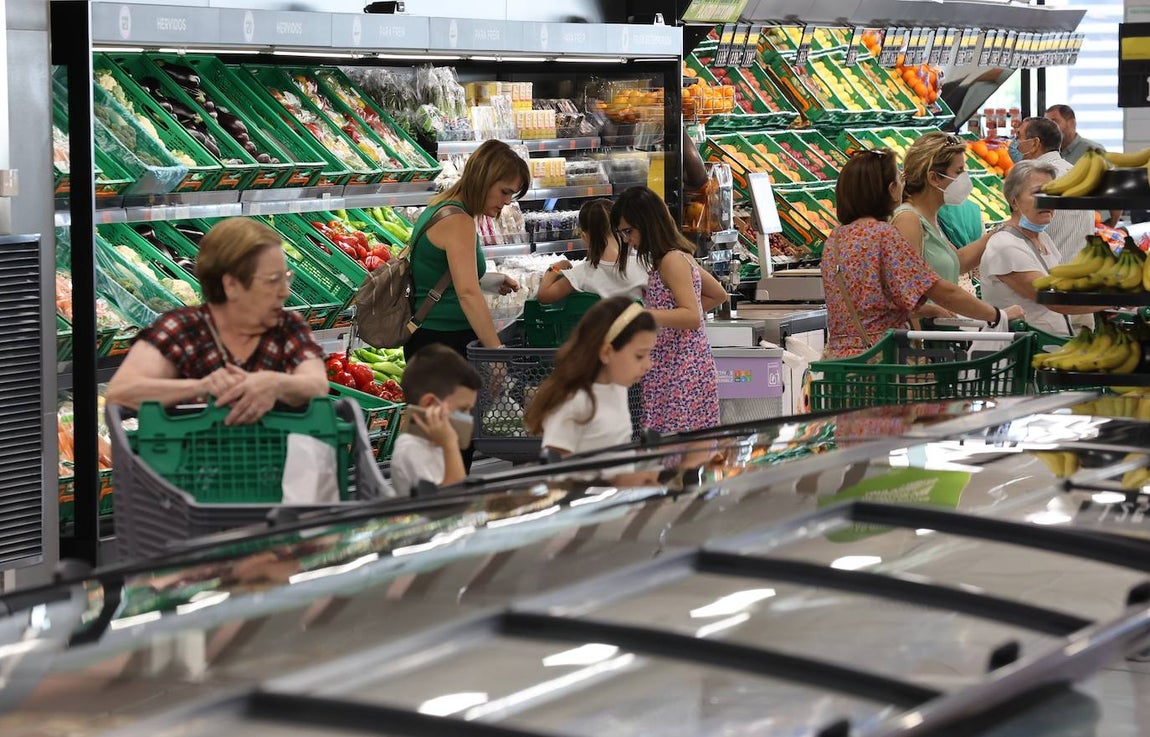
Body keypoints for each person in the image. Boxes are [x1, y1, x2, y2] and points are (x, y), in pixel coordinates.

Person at [106, 218, 327, 424]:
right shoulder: (182, 328)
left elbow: (316, 385)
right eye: (273, 280)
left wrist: (275, 384)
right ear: (231, 285)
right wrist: (200, 387)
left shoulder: (286, 325)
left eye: (286, 278)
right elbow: (121, 395)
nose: (285, 292)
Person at [820, 149, 1024, 360]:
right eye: (899, 179)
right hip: (881, 359)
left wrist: (929, 310)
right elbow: (941, 291)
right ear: (891, 189)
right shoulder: (883, 235)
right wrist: (996, 314)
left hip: (840, 359)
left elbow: (873, 305)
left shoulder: (836, 239)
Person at [610, 186, 727, 434]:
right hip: (681, 365)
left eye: (628, 231)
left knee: (674, 446)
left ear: (647, 222)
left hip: (678, 369)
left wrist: (646, 315)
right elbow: (717, 294)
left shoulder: (672, 261)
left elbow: (691, 316)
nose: (627, 240)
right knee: (688, 445)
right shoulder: (678, 257)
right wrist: (668, 316)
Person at [404, 139, 530, 361]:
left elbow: (440, 274)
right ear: (484, 179)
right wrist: (497, 353)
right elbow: (468, 294)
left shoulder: (440, 207)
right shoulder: (458, 221)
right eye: (504, 191)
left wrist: (489, 281)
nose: (507, 201)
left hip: (429, 340)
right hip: (444, 343)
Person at [980, 161, 1102, 337]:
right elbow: (1055, 299)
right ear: (1014, 201)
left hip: (1052, 345)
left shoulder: (1042, 238)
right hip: (1023, 350)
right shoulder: (1005, 245)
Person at [524, 297, 657, 457]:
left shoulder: (618, 387)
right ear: (606, 352)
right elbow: (556, 468)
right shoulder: (574, 402)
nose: (649, 365)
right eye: (640, 356)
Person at [893, 132, 997, 287]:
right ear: (934, 178)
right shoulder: (908, 220)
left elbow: (957, 262)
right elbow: (910, 287)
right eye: (959, 171)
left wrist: (1000, 232)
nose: (965, 178)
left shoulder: (930, 218)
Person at [389, 344, 482, 496]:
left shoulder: (435, 441)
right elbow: (452, 501)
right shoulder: (411, 449)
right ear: (430, 404)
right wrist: (450, 445)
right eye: (462, 409)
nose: (468, 417)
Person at [1010, 117, 1095, 265]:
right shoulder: (1075, 173)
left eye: (1019, 136)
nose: (1014, 143)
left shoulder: (1034, 180)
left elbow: (1021, 236)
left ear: (1035, 144)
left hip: (1046, 272)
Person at [537, 199, 648, 303]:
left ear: (585, 237)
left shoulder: (580, 274)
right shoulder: (643, 265)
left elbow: (544, 296)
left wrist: (555, 268)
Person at [1046, 103, 1121, 227]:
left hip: (1096, 223)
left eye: (1054, 122)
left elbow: (1115, 191)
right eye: (1047, 123)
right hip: (1065, 224)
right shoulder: (1051, 154)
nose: (1050, 128)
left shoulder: (1093, 151)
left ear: (1071, 123)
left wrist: (1110, 228)